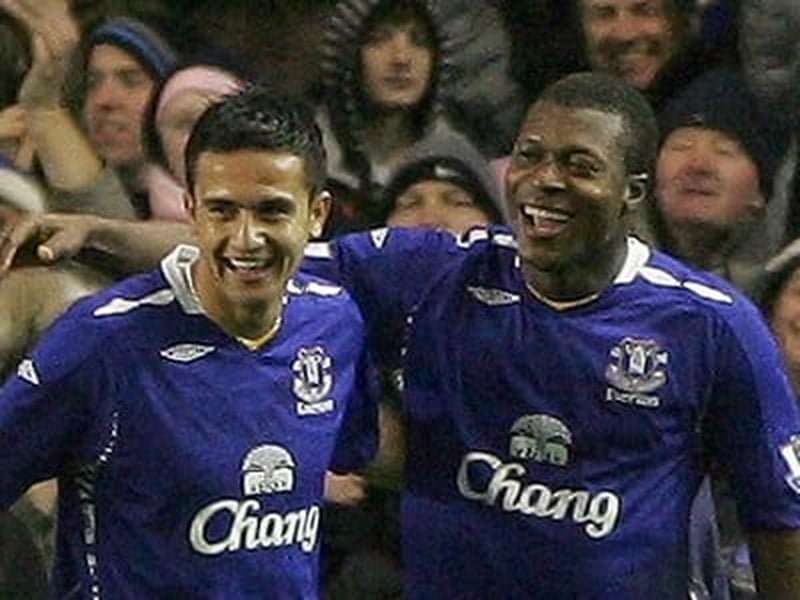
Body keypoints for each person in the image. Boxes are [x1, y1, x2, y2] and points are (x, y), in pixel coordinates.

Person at [5, 72, 800, 598]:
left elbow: (779, 520)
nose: (545, 180)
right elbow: (257, 250)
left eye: (578, 164)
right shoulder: (435, 272)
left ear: (632, 191)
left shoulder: (711, 326)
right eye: (529, 155)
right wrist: (100, 233)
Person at [0, 83, 377, 598]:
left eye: (271, 211)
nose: (246, 239)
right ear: (192, 210)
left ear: (317, 214)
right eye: (223, 211)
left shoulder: (334, 322)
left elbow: (355, 451)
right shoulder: (105, 340)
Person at [646, 67, 788, 296]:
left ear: (760, 194)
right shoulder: (600, 272)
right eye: (681, 147)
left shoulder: (784, 299)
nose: (698, 165)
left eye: (725, 151)